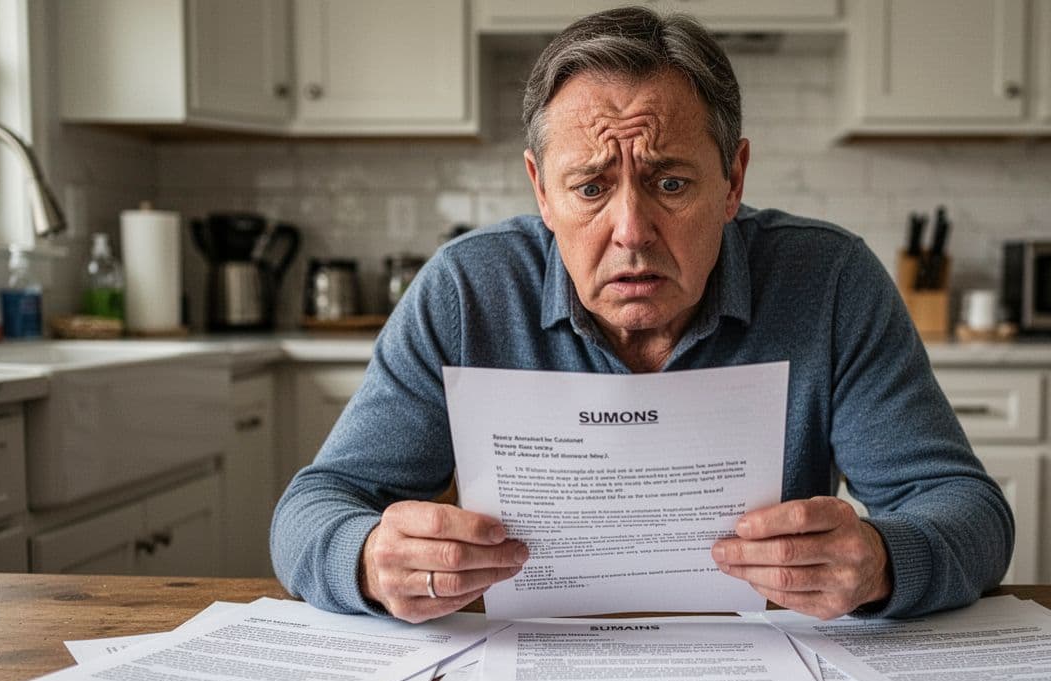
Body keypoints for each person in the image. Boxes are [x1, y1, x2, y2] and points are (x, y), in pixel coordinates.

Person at [271, 6, 1012, 624]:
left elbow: (967, 511)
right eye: (590, 188)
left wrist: (883, 561)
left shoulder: (830, 282)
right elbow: (312, 508)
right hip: (521, 670)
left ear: (733, 180)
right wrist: (368, 559)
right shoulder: (467, 290)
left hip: (769, 675)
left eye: (669, 181)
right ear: (541, 192)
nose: (631, 230)